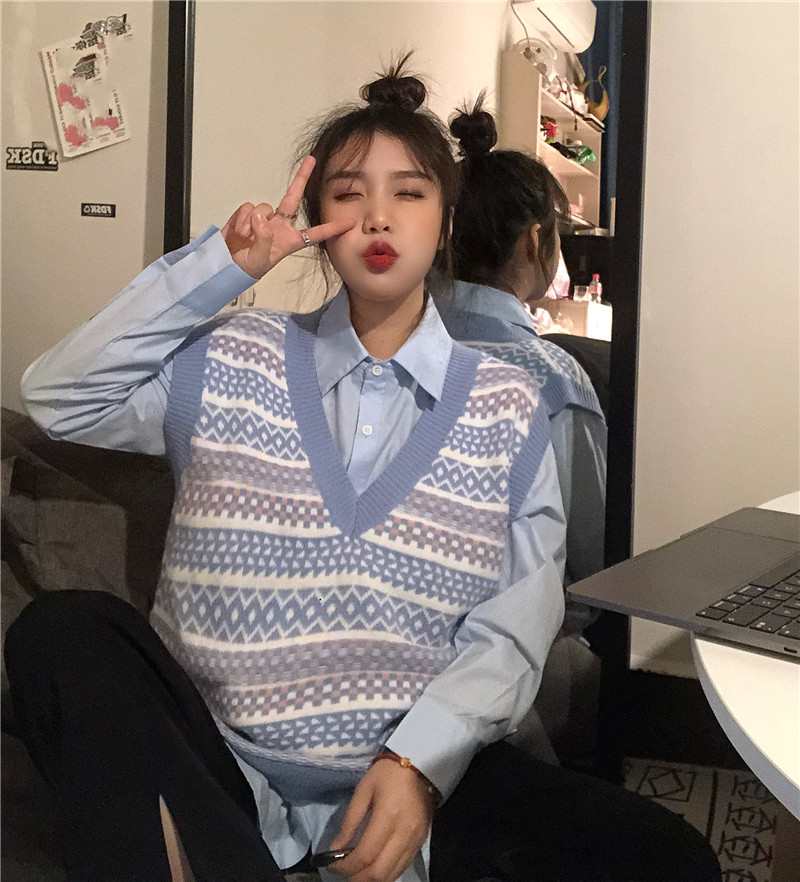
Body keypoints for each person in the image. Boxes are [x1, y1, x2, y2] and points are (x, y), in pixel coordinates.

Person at [5, 59, 720, 882]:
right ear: (316, 221)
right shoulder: (233, 355)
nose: (378, 214)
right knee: (62, 631)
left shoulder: (508, 402)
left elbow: (517, 621)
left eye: (409, 192)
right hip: (220, 768)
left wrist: (420, 762)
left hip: (419, 782)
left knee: (664, 860)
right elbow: (59, 395)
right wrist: (222, 269)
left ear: (446, 225)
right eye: (348, 193)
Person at [439, 96, 607, 637]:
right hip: (526, 644)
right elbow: (595, 555)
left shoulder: (389, 349)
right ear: (534, 240)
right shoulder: (554, 379)